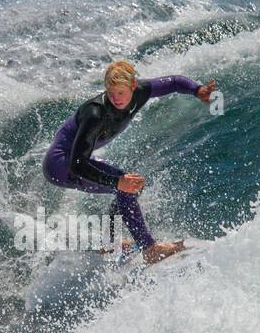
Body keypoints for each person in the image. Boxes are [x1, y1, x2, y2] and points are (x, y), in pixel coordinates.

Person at [42, 60, 217, 264]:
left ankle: (110, 243)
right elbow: (77, 163)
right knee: (125, 186)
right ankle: (150, 249)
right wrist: (117, 183)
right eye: (111, 92)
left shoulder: (141, 92)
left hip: (77, 159)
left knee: (131, 186)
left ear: (133, 86)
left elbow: (174, 82)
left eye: (121, 92)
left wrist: (197, 90)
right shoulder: (95, 114)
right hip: (61, 165)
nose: (116, 99)